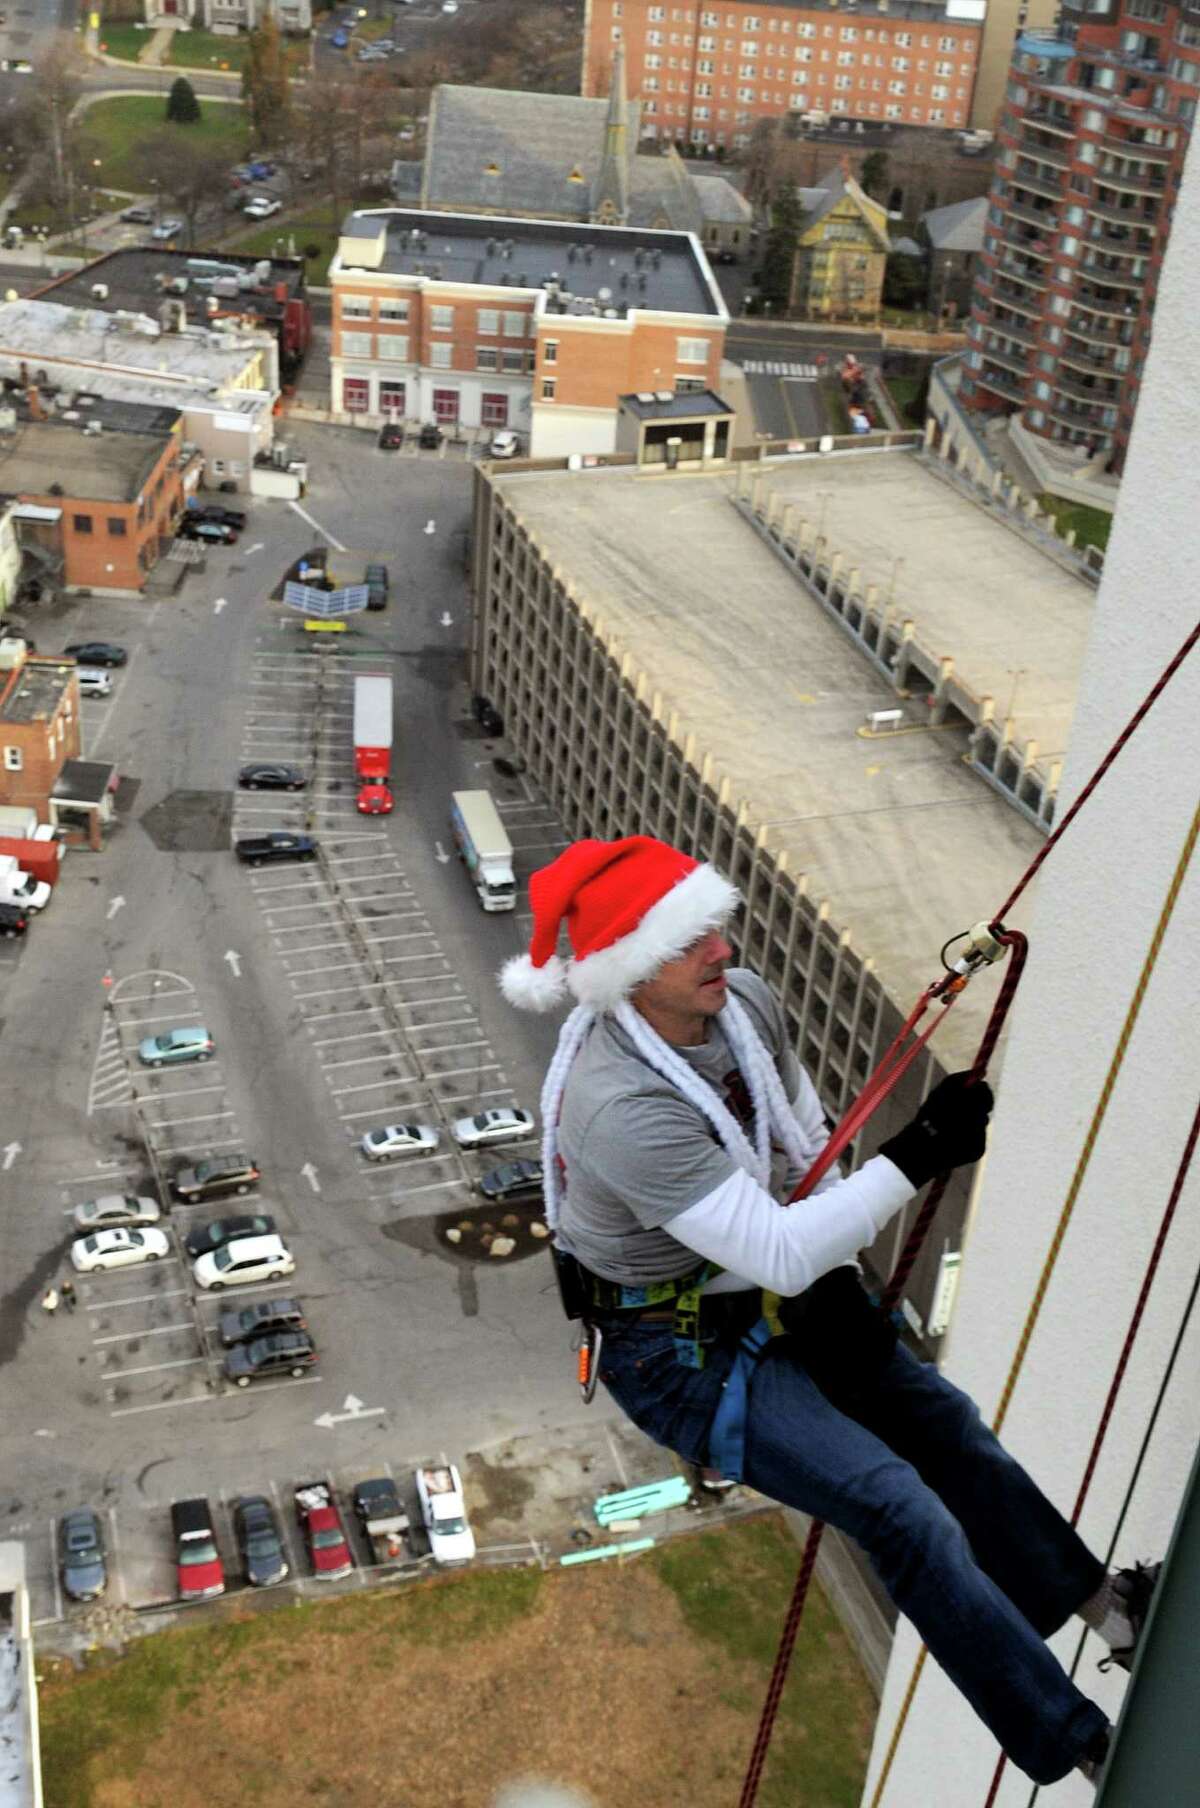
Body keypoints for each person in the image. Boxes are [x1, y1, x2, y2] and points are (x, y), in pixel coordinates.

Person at [502, 836, 1156, 1789]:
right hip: (677, 1352)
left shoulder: (743, 1005)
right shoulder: (618, 1108)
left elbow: (804, 1142)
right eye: (692, 943)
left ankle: (1111, 1614)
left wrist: (838, 1269)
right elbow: (771, 1244)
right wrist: (917, 1156)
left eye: (713, 928)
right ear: (634, 974)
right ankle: (1081, 1746)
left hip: (767, 1289)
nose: (722, 949)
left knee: (944, 1425)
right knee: (899, 1508)